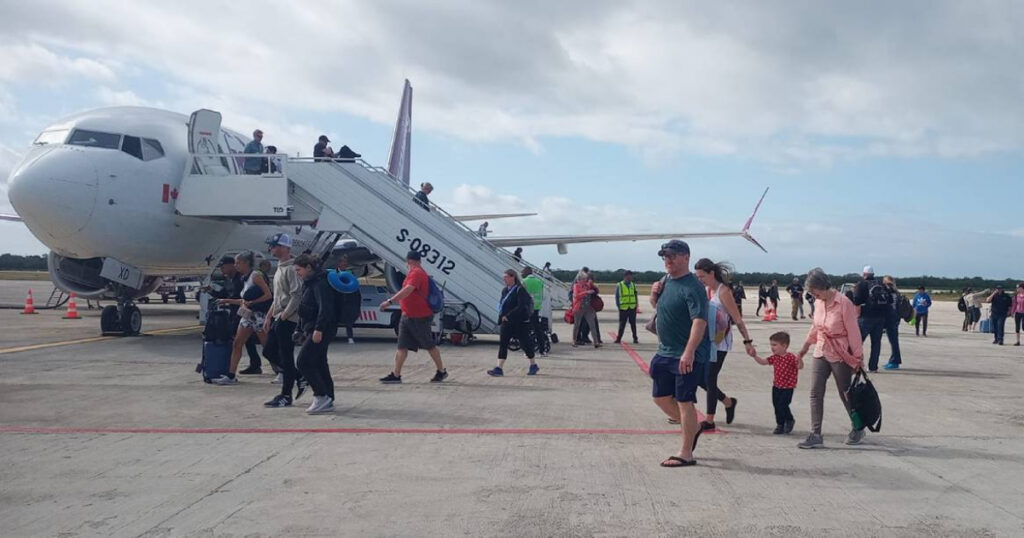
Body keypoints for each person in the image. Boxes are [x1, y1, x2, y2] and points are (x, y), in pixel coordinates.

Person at [647, 240, 709, 468]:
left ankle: (686, 453)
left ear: (686, 258)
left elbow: (699, 321)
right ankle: (694, 427)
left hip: (686, 353)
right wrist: (653, 295)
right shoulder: (665, 281)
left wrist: (689, 351)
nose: (668, 260)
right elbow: (659, 308)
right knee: (660, 398)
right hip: (665, 350)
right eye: (665, 256)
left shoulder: (693, 287)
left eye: (672, 256)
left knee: (684, 401)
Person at [793, 268, 865, 449]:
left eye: (814, 291)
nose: (813, 296)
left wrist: (857, 358)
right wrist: (803, 350)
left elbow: (854, 333)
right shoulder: (819, 302)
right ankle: (815, 434)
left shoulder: (844, 303)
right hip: (821, 350)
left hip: (840, 353)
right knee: (815, 392)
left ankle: (858, 427)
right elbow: (815, 328)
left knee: (845, 392)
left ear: (822, 286)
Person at [693, 258, 752, 431]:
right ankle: (728, 402)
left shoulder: (724, 292)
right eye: (698, 277)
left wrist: (747, 341)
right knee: (700, 379)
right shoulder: (706, 290)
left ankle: (709, 420)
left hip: (720, 340)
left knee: (710, 378)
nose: (700, 280)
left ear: (711, 273)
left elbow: (737, 319)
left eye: (702, 276)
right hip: (706, 340)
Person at [379, 250, 448, 384]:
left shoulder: (416, 273)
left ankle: (441, 371)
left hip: (419, 317)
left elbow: (408, 290)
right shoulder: (415, 273)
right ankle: (396, 374)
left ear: (409, 261)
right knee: (402, 346)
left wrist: (389, 301)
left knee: (429, 345)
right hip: (407, 316)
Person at [212, 251, 273, 385]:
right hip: (247, 315)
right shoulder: (243, 278)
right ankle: (231, 375)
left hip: (257, 315)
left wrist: (252, 303)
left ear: (246, 263)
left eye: (238, 263)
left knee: (267, 346)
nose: (236, 265)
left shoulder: (255, 276)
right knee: (237, 344)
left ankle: (281, 370)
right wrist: (226, 300)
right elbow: (243, 300)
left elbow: (268, 295)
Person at [262, 234, 304, 408]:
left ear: (284, 248)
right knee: (268, 351)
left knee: (286, 356)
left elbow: (296, 295)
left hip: (288, 318)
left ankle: (286, 395)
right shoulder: (280, 267)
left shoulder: (292, 269)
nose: (271, 249)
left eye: (274, 246)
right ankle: (299, 376)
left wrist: (285, 315)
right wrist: (269, 316)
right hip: (278, 316)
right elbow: (277, 297)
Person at [293, 254, 337, 414]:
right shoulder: (309, 283)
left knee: (303, 362)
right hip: (311, 328)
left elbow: (326, 308)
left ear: (308, 267)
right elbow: (304, 307)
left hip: (321, 329)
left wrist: (319, 329)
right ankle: (328, 397)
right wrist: (299, 328)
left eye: (299, 270)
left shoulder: (320, 283)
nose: (298, 273)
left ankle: (321, 395)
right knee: (319, 362)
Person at [746, 331, 802, 434]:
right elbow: (763, 362)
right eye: (771, 345)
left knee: (783, 405)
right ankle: (780, 424)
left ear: (784, 346)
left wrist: (800, 360)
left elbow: (799, 366)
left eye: (775, 345)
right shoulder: (775, 357)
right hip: (776, 386)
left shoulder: (790, 357)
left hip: (788, 387)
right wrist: (754, 356)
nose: (772, 347)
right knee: (777, 405)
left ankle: (789, 420)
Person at [487, 269, 539, 376]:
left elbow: (521, 306)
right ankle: (499, 368)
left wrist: (508, 315)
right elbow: (502, 305)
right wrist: (501, 317)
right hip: (506, 322)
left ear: (513, 277)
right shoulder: (504, 290)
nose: (504, 279)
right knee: (503, 344)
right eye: (504, 277)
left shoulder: (520, 290)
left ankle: (533, 364)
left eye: (506, 277)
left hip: (519, 322)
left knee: (525, 344)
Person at [852, 265, 888, 372]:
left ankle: (856, 364)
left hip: (866, 317)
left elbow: (857, 300)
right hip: (880, 317)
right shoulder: (881, 284)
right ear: (873, 274)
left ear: (864, 274)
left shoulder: (862, 284)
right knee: (876, 343)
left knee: (858, 342)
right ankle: (873, 367)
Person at [571, 271, 602, 349]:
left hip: (588, 308)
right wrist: (586, 292)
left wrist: (593, 285)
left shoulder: (587, 285)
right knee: (577, 325)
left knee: (592, 325)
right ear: (579, 279)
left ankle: (596, 342)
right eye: (583, 279)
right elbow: (576, 296)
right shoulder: (576, 286)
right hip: (579, 307)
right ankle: (574, 340)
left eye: (586, 279)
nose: (585, 280)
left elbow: (596, 290)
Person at [521, 266, 548, 355]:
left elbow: (521, 296)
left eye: (522, 272)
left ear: (526, 272)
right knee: (537, 330)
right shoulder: (539, 281)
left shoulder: (524, 282)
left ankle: (528, 350)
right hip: (536, 308)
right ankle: (542, 350)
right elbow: (543, 295)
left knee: (525, 331)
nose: (521, 274)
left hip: (527, 309)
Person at [336, 255, 360, 344]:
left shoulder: (350, 274)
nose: (345, 264)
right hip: (337, 300)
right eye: (343, 262)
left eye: (346, 262)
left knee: (349, 321)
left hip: (348, 301)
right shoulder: (333, 274)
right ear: (339, 263)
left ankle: (350, 337)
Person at [882, 275, 903, 370]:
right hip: (896, 319)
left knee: (894, 341)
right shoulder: (897, 293)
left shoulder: (889, 293)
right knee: (894, 341)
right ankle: (893, 360)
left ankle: (895, 361)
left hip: (891, 319)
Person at [614, 270, 639, 344]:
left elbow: (635, 295)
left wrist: (636, 305)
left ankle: (635, 338)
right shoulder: (619, 285)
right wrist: (618, 306)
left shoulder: (633, 285)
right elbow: (617, 296)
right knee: (622, 324)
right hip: (623, 308)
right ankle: (618, 338)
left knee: (633, 324)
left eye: (631, 276)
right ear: (625, 276)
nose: (631, 277)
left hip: (632, 307)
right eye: (629, 276)